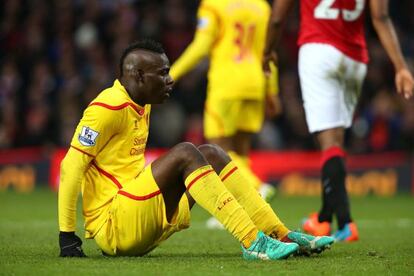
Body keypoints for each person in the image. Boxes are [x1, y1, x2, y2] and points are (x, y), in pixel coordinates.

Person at [58, 39, 334, 259]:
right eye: (163, 73)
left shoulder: (142, 103)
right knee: (187, 152)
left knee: (211, 153)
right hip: (114, 224)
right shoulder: (106, 108)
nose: (170, 80)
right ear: (139, 76)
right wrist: (67, 236)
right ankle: (253, 242)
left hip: (135, 211)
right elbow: (71, 166)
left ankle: (280, 234)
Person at [263, 0, 414, 241]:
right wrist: (401, 67)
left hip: (318, 51)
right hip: (355, 58)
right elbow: (381, 18)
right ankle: (326, 219)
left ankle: (343, 222)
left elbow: (278, 17)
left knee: (329, 141)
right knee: (336, 140)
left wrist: (267, 50)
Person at [169, 0, 280, 207]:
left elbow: (201, 46)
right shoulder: (262, 7)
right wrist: (272, 90)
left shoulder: (213, 4)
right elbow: (269, 51)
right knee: (241, 151)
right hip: (255, 82)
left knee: (217, 148)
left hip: (226, 84)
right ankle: (246, 206)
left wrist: (172, 73)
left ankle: (257, 186)